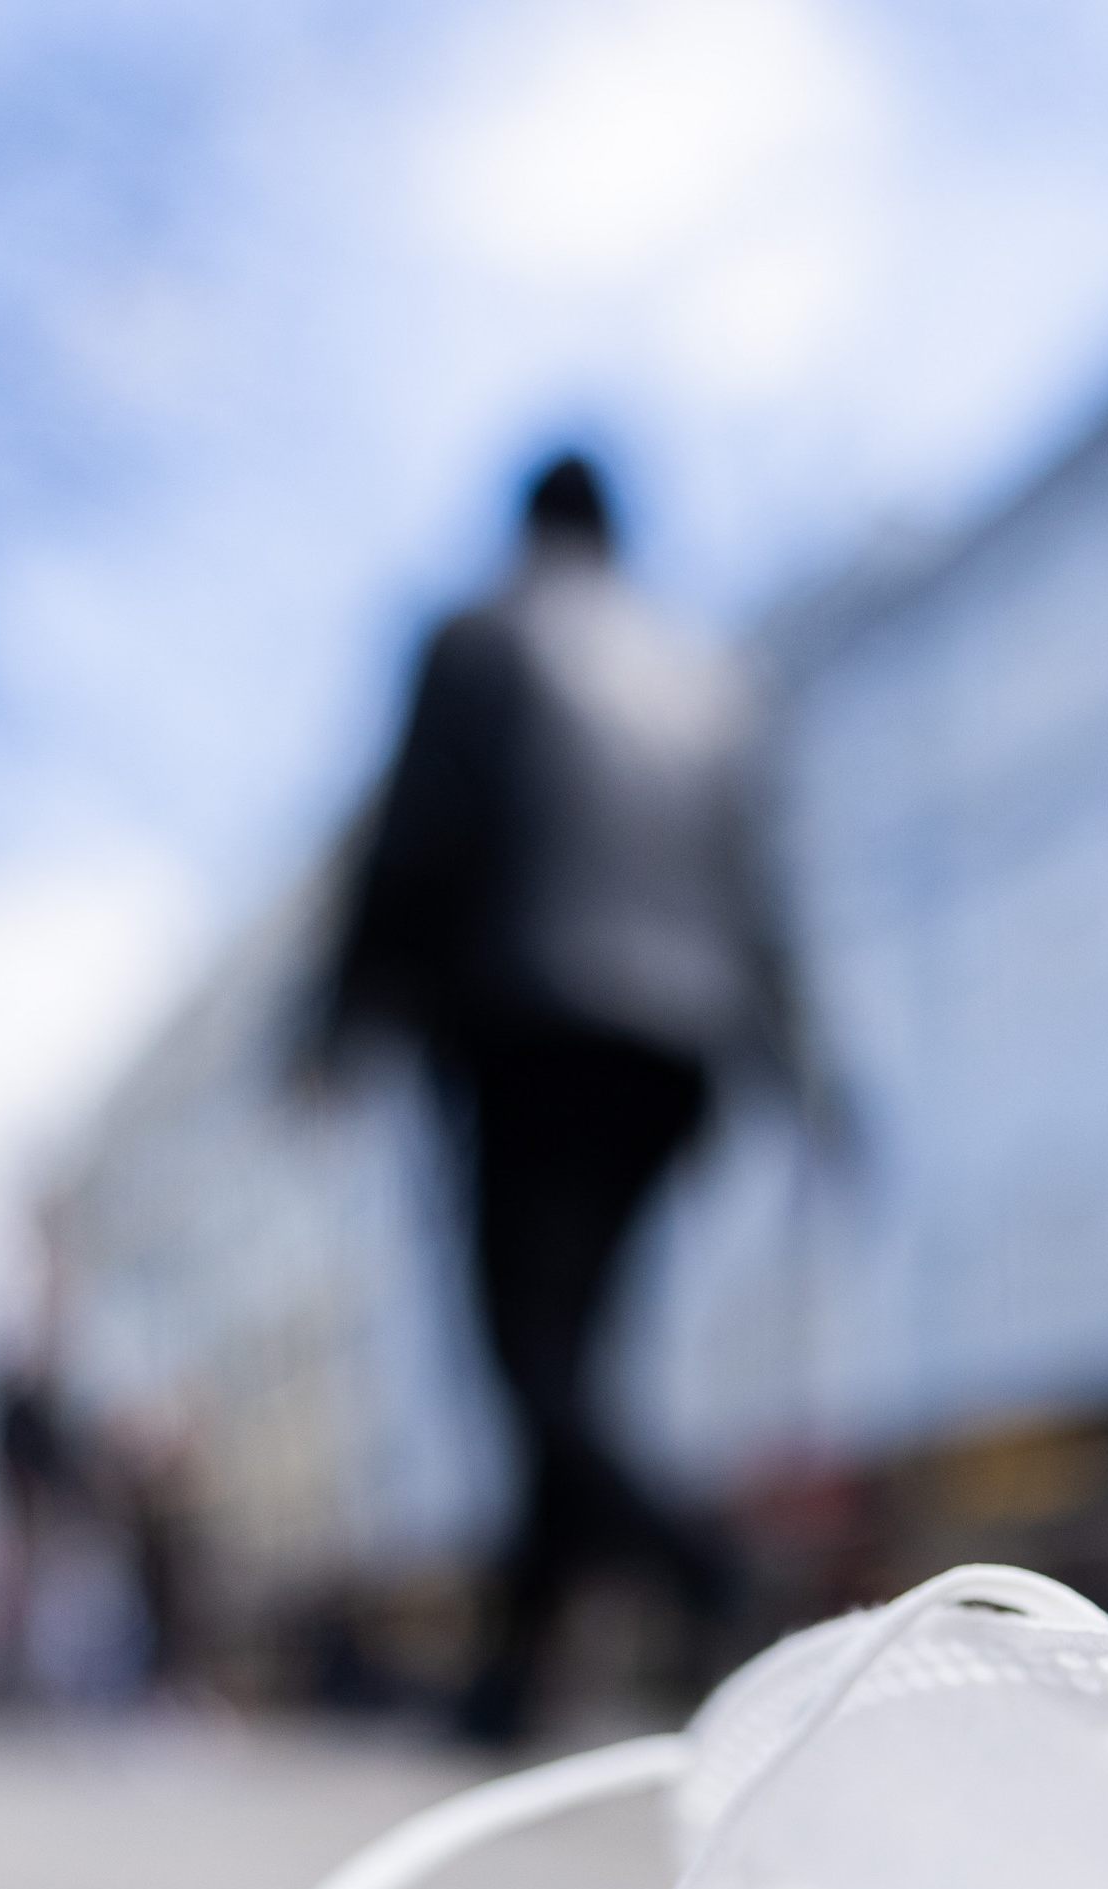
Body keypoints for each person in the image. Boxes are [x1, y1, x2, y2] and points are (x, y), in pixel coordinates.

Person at [299, 449, 828, 1746]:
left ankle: (698, 1561)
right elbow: (760, 896)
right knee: (576, 1356)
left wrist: (339, 1020)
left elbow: (416, 834)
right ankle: (509, 1679)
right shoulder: (709, 673)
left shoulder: (481, 636)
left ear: (527, 526)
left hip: (529, 1030)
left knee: (529, 1359)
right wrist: (808, 1070)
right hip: (674, 1058)